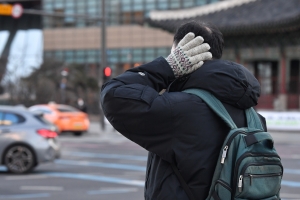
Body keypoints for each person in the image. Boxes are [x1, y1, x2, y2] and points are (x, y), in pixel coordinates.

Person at [100, 21, 265, 199]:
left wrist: (167, 67)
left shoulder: (178, 110)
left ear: (181, 52)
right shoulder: (254, 117)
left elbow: (113, 96)